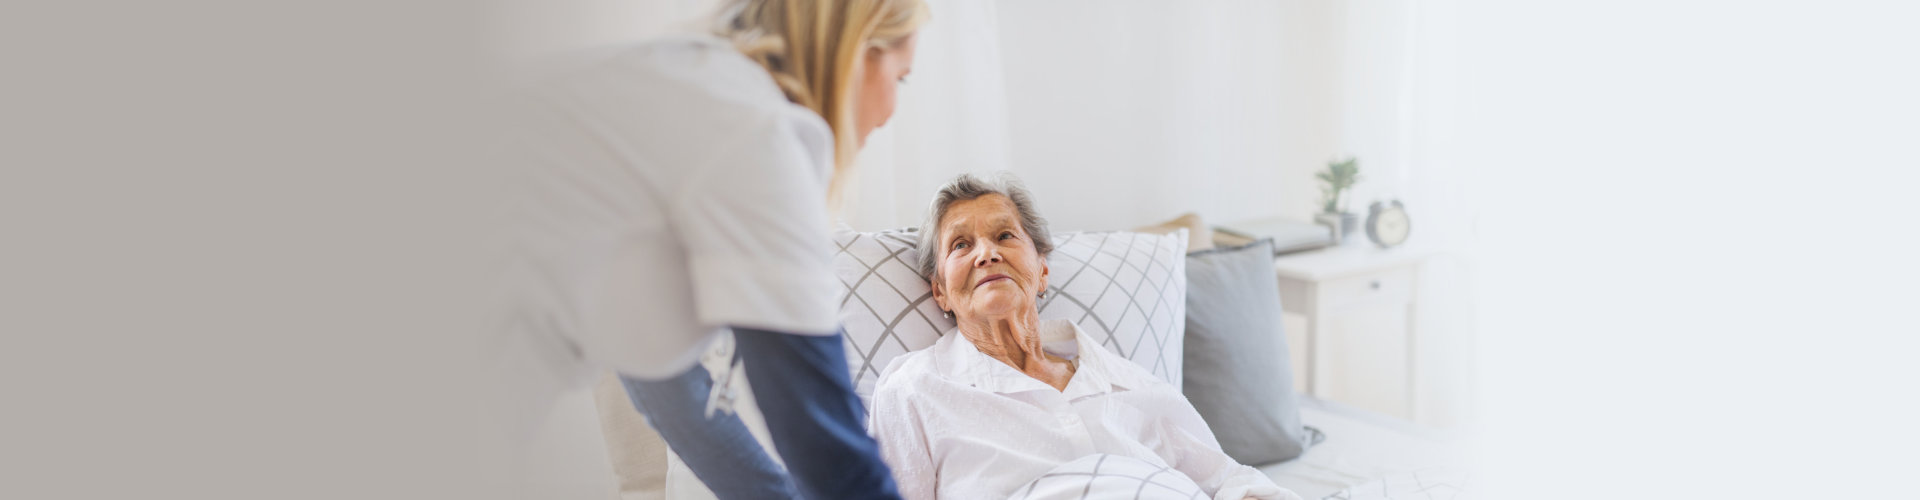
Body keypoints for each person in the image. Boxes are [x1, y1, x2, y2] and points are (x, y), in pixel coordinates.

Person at [496, 1, 928, 498]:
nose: (892, 109)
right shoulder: (759, 136)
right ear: (855, 50)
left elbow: (672, 394)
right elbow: (819, 432)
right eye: (902, 77)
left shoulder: (680, 87)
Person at [867, 173, 1302, 500]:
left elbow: (1228, 480)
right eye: (961, 245)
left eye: (1004, 235)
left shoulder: (1129, 382)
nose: (988, 253)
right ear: (939, 290)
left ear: (1041, 271)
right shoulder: (915, 390)